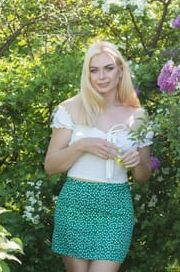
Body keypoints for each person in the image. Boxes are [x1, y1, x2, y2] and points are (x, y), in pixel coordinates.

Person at [44, 41, 153, 272]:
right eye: (94, 70)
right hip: (75, 204)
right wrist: (81, 146)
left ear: (120, 70)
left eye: (108, 68)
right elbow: (51, 166)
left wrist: (137, 163)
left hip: (115, 208)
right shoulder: (70, 109)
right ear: (87, 74)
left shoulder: (138, 116)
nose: (101, 76)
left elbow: (143, 176)